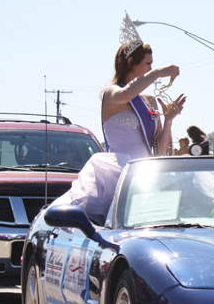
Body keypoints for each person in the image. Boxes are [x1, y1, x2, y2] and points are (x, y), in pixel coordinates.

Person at [53, 11, 186, 221]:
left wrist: (168, 120)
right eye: (147, 64)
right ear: (131, 62)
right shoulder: (112, 93)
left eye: (152, 65)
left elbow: (159, 150)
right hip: (118, 173)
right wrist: (159, 72)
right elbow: (127, 94)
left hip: (147, 174)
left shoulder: (149, 100)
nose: (150, 68)